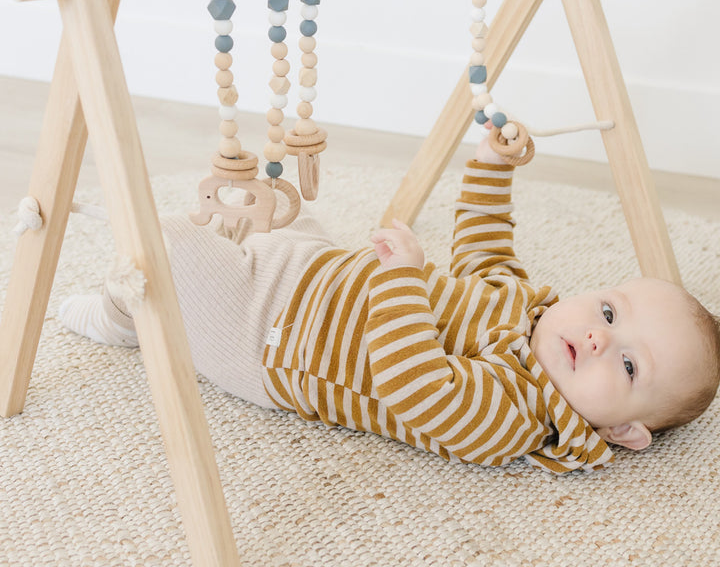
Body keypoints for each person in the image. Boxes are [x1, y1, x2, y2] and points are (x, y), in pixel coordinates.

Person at [59, 138, 720, 474]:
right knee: (278, 204)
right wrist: (491, 166)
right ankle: (201, 278)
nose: (603, 338)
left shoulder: (514, 414)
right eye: (609, 312)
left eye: (629, 367)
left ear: (621, 433)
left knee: (168, 247)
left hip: (267, 340)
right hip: (317, 267)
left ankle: (126, 320)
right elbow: (485, 244)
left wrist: (403, 279)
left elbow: (416, 385)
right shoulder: (528, 307)